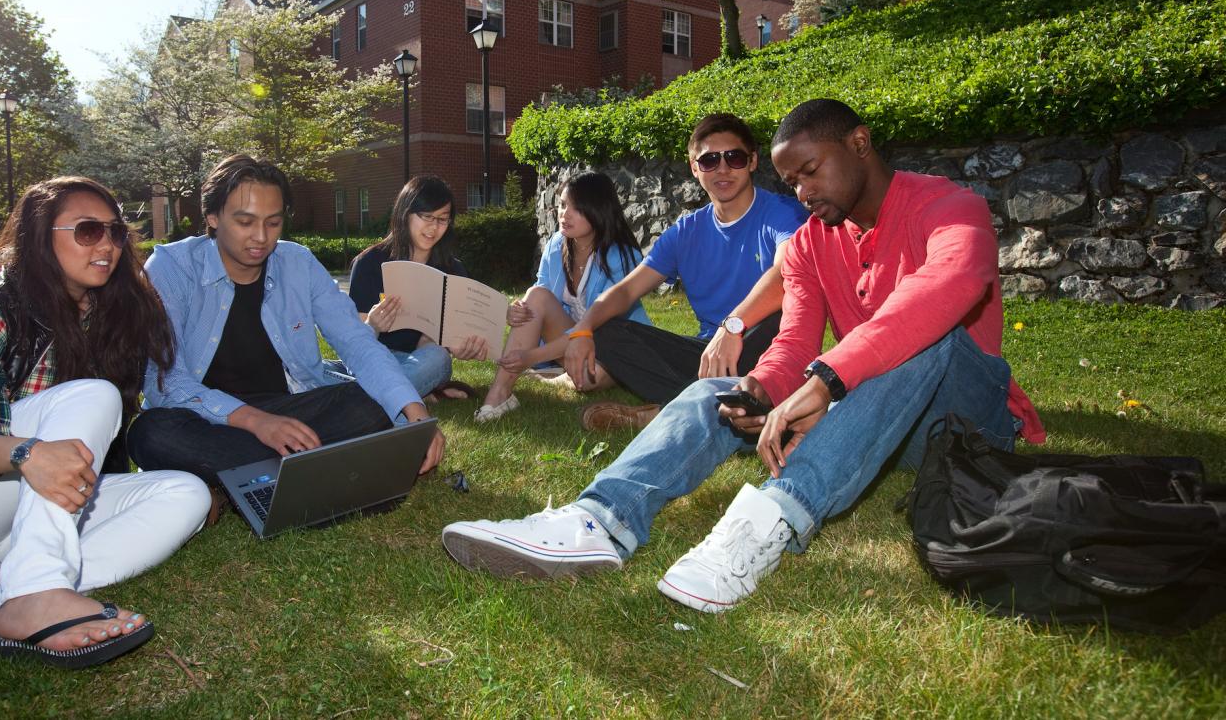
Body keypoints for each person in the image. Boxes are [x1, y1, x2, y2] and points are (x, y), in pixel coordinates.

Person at [441, 98, 1045, 615]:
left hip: (965, 420)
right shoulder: (811, 242)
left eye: (811, 172)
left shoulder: (950, 207)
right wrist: (762, 389)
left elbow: (949, 287)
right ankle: (598, 522)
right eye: (795, 182)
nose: (803, 193)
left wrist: (827, 380)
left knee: (926, 334)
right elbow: (794, 340)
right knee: (719, 391)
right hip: (875, 414)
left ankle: (769, 523)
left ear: (860, 144)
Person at [0, 177, 212, 669]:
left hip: (19, 523)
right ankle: (38, 588)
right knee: (95, 394)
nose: (107, 245)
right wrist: (28, 453)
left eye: (116, 232)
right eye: (88, 231)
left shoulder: (116, 311)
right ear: (42, 237)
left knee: (185, 493)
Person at [127, 154, 445, 494]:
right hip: (204, 416)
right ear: (212, 217)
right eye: (245, 222)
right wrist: (257, 422)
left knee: (370, 403)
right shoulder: (172, 268)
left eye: (273, 222)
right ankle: (307, 467)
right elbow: (165, 382)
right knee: (151, 432)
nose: (261, 237)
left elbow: (357, 341)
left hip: (289, 409)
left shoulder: (297, 262)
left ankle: (246, 477)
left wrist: (415, 414)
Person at [563, 113, 808, 432]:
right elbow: (625, 291)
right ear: (694, 168)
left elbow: (786, 273)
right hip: (708, 355)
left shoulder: (782, 213)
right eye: (709, 161)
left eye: (734, 158)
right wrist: (582, 329)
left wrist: (732, 327)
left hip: (761, 346)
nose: (722, 168)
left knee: (778, 319)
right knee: (606, 330)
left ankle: (674, 410)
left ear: (751, 162)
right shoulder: (686, 232)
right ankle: (712, 408)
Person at [474, 172, 650, 421]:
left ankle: (553, 378)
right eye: (563, 204)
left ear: (597, 210)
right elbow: (541, 294)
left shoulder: (622, 256)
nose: (564, 214)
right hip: (569, 341)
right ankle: (499, 394)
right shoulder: (557, 245)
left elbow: (601, 326)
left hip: (612, 346)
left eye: (576, 208)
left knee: (590, 378)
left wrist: (531, 357)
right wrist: (519, 308)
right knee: (535, 295)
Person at [331, 175, 488, 400]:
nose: (434, 228)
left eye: (443, 219)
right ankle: (410, 394)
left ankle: (368, 398)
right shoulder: (369, 262)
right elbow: (356, 342)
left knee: (438, 358)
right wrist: (373, 324)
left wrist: (460, 347)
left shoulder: (452, 270)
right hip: (375, 359)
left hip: (422, 362)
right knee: (314, 367)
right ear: (405, 214)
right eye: (426, 217)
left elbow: (436, 342)